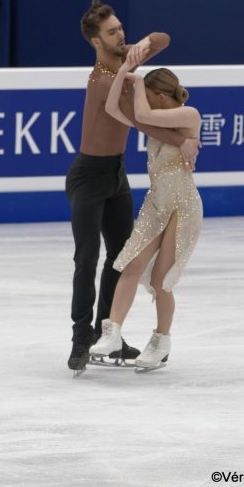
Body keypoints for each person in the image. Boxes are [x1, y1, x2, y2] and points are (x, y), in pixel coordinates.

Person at [66, 0, 200, 373]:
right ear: (96, 42)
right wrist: (181, 140)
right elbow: (136, 120)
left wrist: (142, 42)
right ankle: (81, 339)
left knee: (120, 256)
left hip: (116, 174)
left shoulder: (126, 61)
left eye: (121, 28)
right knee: (87, 257)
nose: (120, 35)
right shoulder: (101, 80)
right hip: (89, 175)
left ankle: (107, 332)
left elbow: (163, 38)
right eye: (112, 32)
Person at [89, 61, 203, 369]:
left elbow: (141, 115)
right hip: (156, 204)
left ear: (161, 96)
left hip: (183, 206)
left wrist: (136, 82)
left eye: (147, 94)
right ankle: (112, 332)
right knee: (129, 264)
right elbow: (113, 107)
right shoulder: (156, 121)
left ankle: (161, 340)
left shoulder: (189, 115)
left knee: (161, 280)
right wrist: (125, 69)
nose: (142, 99)